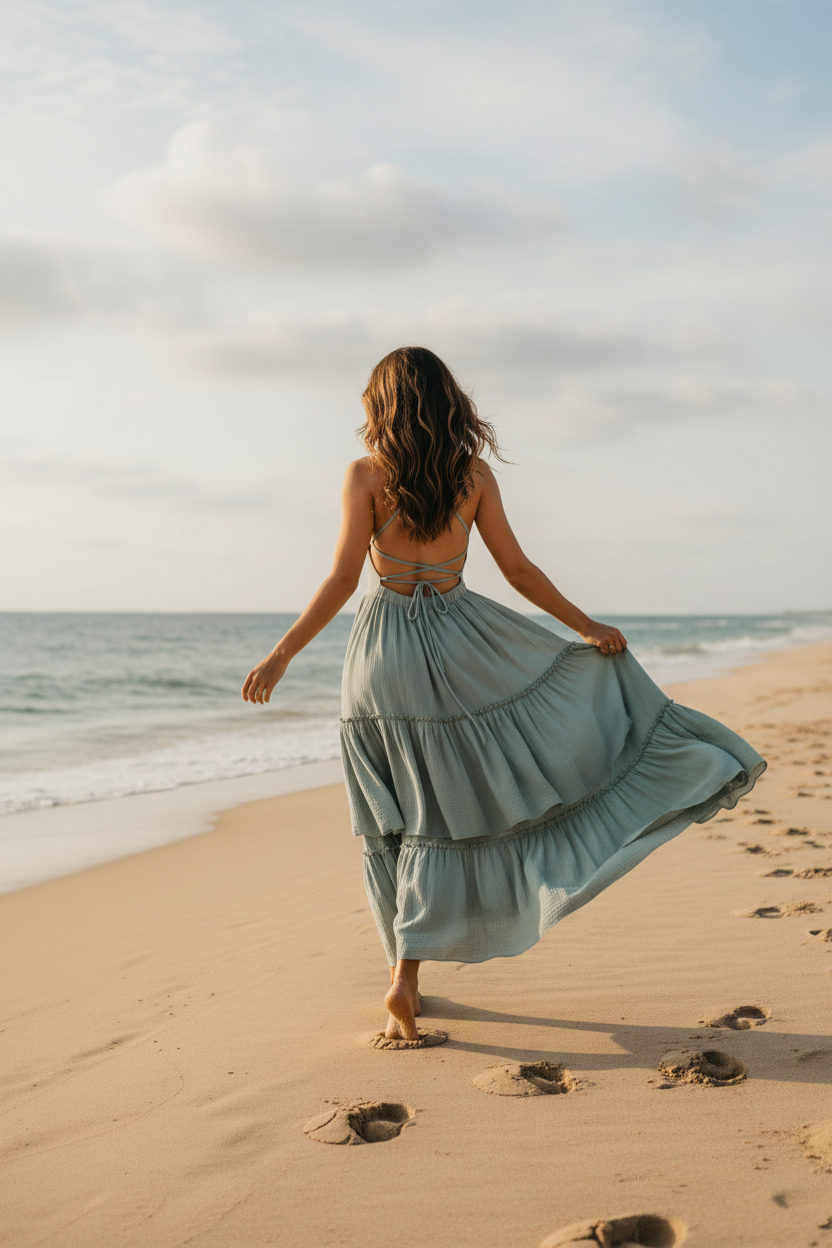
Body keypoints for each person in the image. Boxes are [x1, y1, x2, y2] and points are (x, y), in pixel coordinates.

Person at [242, 346, 765, 1047]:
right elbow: (516, 569)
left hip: (383, 656)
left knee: (394, 815)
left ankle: (405, 977)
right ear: (446, 400)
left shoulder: (366, 476)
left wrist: (280, 655)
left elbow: (342, 581)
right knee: (444, 808)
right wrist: (586, 626)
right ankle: (409, 970)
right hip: (464, 646)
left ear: (382, 404)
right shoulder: (473, 475)